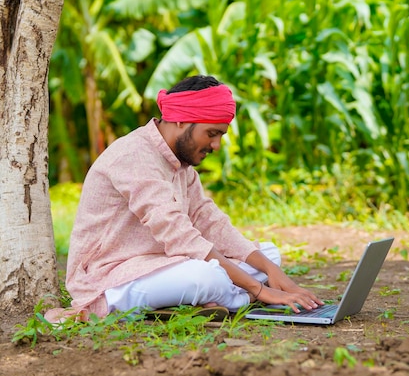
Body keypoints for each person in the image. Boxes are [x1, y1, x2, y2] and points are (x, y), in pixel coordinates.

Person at [48, 75, 323, 322]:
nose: (216, 145)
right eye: (212, 133)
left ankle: (213, 298)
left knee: (269, 254)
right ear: (180, 120)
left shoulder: (181, 165)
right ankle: (239, 298)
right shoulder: (134, 155)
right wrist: (260, 289)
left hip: (161, 264)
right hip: (111, 277)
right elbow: (180, 235)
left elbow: (211, 223)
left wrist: (274, 273)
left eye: (221, 135)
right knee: (206, 276)